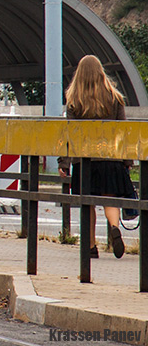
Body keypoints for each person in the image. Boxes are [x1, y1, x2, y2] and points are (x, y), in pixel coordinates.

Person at [58, 54, 135, 259]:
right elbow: (123, 131)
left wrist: (64, 163)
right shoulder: (115, 98)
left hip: (85, 162)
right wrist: (127, 161)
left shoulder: (75, 101)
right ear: (101, 73)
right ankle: (113, 227)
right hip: (111, 159)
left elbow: (69, 134)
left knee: (88, 203)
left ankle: (91, 246)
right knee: (110, 199)